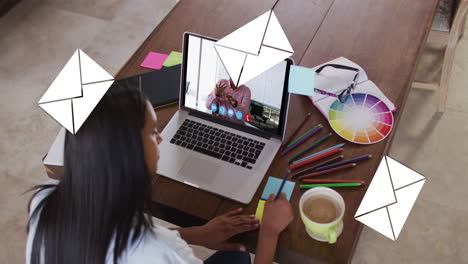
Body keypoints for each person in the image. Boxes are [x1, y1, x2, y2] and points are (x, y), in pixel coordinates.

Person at [27, 83, 294, 264]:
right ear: (130, 155)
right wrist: (269, 233)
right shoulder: (161, 254)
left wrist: (197, 234)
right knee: (242, 255)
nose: (161, 140)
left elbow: (119, 238)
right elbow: (153, 247)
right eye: (154, 132)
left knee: (236, 256)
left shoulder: (44, 202)